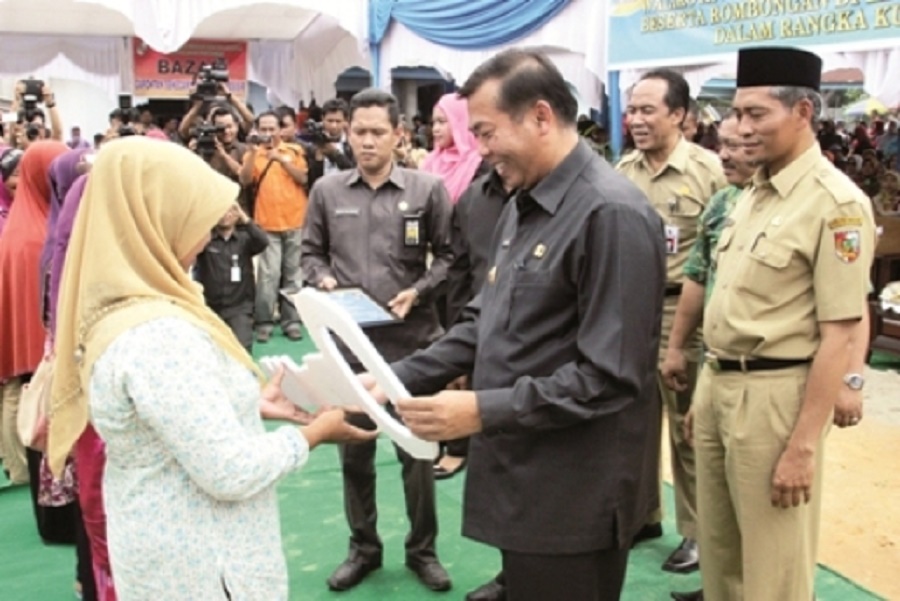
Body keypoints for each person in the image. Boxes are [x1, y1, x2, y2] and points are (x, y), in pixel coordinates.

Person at [383, 49, 665, 601]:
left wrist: (481, 410)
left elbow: (611, 376)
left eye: (486, 133)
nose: (480, 151)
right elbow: (484, 318)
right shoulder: (524, 201)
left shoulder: (611, 215)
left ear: (540, 116)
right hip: (525, 477)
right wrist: (397, 376)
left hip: (575, 492)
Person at [46, 136, 377, 600]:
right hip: (203, 564)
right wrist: (316, 433)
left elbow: (163, 417)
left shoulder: (122, 301)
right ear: (155, 219)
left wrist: (250, 404)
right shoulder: (160, 335)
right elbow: (230, 472)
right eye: (193, 216)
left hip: (162, 547)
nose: (203, 237)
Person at [693, 46, 874, 601]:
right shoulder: (751, 196)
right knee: (721, 559)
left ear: (801, 113)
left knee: (773, 572)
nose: (740, 128)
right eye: (736, 113)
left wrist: (803, 445)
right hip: (720, 386)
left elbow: (841, 333)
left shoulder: (834, 204)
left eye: (756, 115)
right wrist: (706, 394)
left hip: (777, 399)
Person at [301, 88, 454, 594]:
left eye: (377, 132)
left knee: (419, 452)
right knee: (355, 451)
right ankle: (363, 548)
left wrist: (420, 290)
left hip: (414, 347)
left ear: (398, 135)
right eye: (358, 132)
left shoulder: (428, 190)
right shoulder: (327, 192)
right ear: (347, 132)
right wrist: (321, 280)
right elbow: (310, 254)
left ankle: (422, 551)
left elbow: (452, 258)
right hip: (350, 348)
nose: (366, 142)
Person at [616, 69, 727, 574]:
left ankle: (698, 532)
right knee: (633, 422)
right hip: (631, 311)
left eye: (647, 110)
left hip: (685, 314)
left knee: (688, 428)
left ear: (680, 115)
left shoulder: (710, 172)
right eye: (632, 110)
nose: (635, 120)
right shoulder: (623, 171)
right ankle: (644, 515)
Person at [0, 141, 68, 527]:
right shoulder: (31, 232)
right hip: (37, 335)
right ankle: (23, 472)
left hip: (33, 331)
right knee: (25, 395)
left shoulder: (28, 220)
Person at [239, 111, 309, 342]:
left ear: (280, 130)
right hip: (267, 223)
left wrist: (281, 160)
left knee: (293, 275)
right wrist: (251, 152)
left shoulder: (295, 151)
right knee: (268, 275)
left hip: (295, 220)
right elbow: (246, 180)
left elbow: (303, 178)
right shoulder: (255, 154)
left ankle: (291, 321)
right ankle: (264, 321)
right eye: (264, 129)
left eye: (272, 129)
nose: (268, 134)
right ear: (257, 130)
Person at [194, 203, 269, 353]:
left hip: (240, 307)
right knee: (213, 351)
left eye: (231, 210)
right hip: (211, 306)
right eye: (222, 209)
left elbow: (263, 241)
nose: (226, 214)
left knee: (243, 350)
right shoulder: (205, 238)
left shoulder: (245, 238)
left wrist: (245, 219)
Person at [421, 93, 486, 204]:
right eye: (433, 123)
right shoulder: (430, 161)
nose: (435, 129)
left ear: (460, 122)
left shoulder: (478, 163)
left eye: (441, 122)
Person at [305, 98, 355, 191]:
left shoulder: (352, 144)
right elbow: (311, 181)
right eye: (330, 121)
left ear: (345, 121)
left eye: (338, 121)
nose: (333, 126)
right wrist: (318, 159)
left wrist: (335, 154)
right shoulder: (313, 146)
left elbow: (354, 173)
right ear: (322, 119)